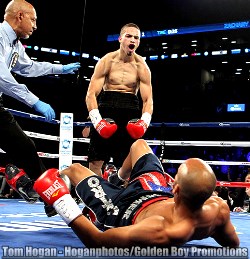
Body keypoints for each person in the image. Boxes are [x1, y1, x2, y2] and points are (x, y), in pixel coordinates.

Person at [16, 139, 238, 249]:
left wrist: (61, 201)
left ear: (176, 188)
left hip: (120, 208)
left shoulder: (161, 229)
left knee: (74, 169)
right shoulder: (218, 209)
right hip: (156, 192)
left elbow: (98, 242)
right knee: (140, 145)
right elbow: (233, 245)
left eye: (176, 176)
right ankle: (116, 178)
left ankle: (43, 195)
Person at [0, 0, 80, 216]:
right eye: (33, 19)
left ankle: (50, 197)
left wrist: (60, 68)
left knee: (24, 146)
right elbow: (1, 76)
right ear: (19, 16)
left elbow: (30, 67)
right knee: (22, 146)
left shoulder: (14, 44)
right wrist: (34, 101)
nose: (35, 26)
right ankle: (17, 176)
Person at [85, 23, 153, 177]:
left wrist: (144, 122)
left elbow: (148, 99)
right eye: (129, 36)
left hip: (130, 108)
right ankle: (96, 198)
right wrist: (97, 121)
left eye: (136, 37)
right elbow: (91, 94)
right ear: (120, 38)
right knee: (95, 161)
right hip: (107, 105)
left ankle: (124, 199)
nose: (133, 40)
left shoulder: (141, 66)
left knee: (127, 162)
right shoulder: (106, 61)